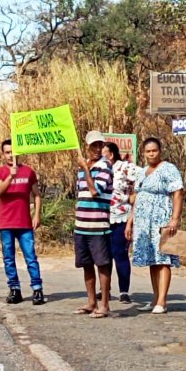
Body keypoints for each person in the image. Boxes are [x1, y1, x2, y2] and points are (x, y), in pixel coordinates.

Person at [126, 137, 184, 314]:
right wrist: (130, 221)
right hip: (144, 222)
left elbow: (178, 193)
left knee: (163, 259)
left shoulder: (168, 169)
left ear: (160, 151)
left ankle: (162, 300)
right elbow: (137, 198)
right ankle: (155, 297)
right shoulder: (142, 172)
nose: (151, 154)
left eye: (154, 150)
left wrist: (174, 219)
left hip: (161, 218)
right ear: (143, 153)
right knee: (152, 260)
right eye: (148, 151)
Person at [0, 139, 44, 305]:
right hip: (6, 222)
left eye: (13, 152)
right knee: (9, 257)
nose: (11, 155)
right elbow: (0, 190)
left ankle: (37, 289)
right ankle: (14, 289)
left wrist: (37, 214)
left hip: (24, 223)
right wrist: (11, 176)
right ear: (3, 154)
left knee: (30, 256)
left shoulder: (28, 172)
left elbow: (36, 194)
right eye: (7, 152)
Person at [74, 130, 114, 318]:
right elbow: (80, 194)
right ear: (87, 146)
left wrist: (85, 169)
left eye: (100, 145)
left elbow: (95, 191)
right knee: (86, 264)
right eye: (94, 145)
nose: (98, 149)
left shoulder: (104, 166)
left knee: (103, 264)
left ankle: (104, 304)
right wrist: (84, 168)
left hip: (98, 225)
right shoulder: (84, 168)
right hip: (81, 224)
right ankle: (91, 301)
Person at [103, 141, 138, 303]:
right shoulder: (99, 168)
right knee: (104, 256)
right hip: (102, 218)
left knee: (120, 254)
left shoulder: (124, 167)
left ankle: (124, 290)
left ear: (111, 153)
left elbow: (140, 181)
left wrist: (133, 195)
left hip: (122, 217)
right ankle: (105, 290)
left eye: (105, 152)